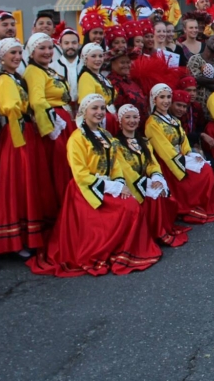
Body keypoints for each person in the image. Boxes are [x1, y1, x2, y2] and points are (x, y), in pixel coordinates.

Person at [27, 95, 161, 276]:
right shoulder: (77, 138)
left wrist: (120, 184)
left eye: (102, 109)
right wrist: (113, 188)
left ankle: (121, 251)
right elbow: (80, 174)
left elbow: (115, 166)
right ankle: (112, 251)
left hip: (107, 185)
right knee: (129, 208)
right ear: (84, 111)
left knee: (132, 204)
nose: (99, 112)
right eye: (95, 108)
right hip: (86, 190)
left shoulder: (106, 135)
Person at [0, 38, 58, 258]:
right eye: (12, 54)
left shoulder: (14, 77)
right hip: (18, 133)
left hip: (25, 130)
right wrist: (25, 115)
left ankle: (29, 235)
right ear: (2, 57)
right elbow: (9, 107)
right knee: (20, 182)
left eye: (19, 53)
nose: (17, 57)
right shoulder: (5, 80)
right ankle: (19, 238)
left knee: (28, 182)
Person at [145, 83, 214, 223]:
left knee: (206, 168)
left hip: (181, 157)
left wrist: (191, 155)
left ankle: (204, 205)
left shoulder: (173, 120)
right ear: (154, 100)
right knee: (200, 173)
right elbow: (163, 148)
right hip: (168, 163)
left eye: (168, 97)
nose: (166, 100)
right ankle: (191, 205)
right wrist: (183, 162)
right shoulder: (152, 123)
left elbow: (184, 141)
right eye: (162, 97)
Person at [115, 104, 189, 248]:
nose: (132, 120)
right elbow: (125, 169)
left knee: (160, 190)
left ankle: (158, 231)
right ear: (120, 121)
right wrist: (144, 184)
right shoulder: (116, 144)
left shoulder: (143, 141)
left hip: (144, 181)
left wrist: (156, 177)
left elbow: (152, 163)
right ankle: (148, 234)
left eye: (135, 117)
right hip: (130, 184)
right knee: (152, 196)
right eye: (127, 117)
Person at [23, 32, 73, 194]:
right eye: (41, 48)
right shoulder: (33, 71)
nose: (47, 51)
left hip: (63, 122)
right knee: (60, 167)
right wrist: (53, 128)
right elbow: (37, 100)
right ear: (31, 51)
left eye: (50, 47)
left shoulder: (47, 70)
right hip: (54, 125)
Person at [77, 43, 118, 134]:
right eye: (93, 56)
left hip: (109, 119)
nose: (98, 59)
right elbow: (87, 104)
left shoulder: (102, 78)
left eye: (100, 56)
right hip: (99, 121)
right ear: (85, 59)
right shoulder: (86, 77)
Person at [52, 27, 82, 101]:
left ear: (78, 44)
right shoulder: (52, 67)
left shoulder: (86, 65)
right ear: (60, 45)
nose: (70, 46)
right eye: (66, 43)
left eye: (74, 43)